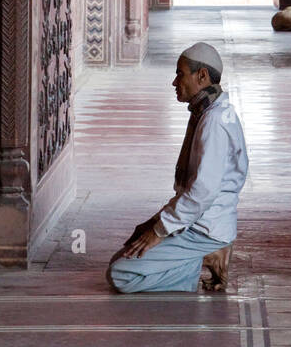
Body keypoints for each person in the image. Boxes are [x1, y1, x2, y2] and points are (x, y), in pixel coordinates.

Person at [106, 42, 249, 294]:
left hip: (204, 228)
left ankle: (207, 255)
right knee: (124, 254)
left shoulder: (214, 121)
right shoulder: (209, 112)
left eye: (180, 73)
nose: (174, 82)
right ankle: (195, 258)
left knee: (120, 275)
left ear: (202, 76)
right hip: (197, 220)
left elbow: (202, 193)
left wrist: (160, 230)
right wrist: (156, 219)